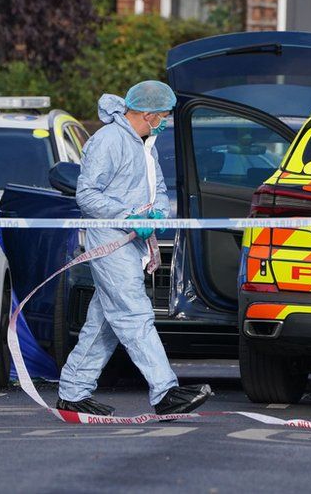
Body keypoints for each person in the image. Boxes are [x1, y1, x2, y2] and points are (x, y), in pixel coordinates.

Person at [56, 80, 212, 417]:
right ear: (148, 113)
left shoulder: (145, 144)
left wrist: (156, 212)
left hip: (131, 242)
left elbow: (154, 188)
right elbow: (87, 194)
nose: (167, 121)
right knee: (134, 315)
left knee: (104, 322)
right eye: (164, 115)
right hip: (111, 241)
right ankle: (165, 392)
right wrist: (128, 216)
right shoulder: (109, 141)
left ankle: (72, 391)